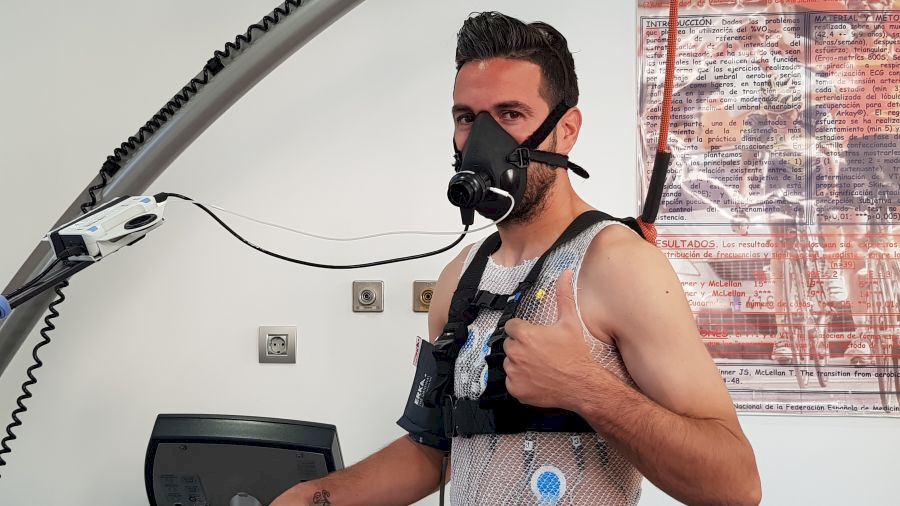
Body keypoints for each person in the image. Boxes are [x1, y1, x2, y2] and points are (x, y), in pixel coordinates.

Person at [273, 12, 760, 505]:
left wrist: (586, 388)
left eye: (510, 115)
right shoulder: (458, 278)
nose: (482, 142)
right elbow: (432, 449)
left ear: (565, 130)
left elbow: (736, 486)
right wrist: (314, 496)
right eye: (467, 118)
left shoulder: (617, 264)